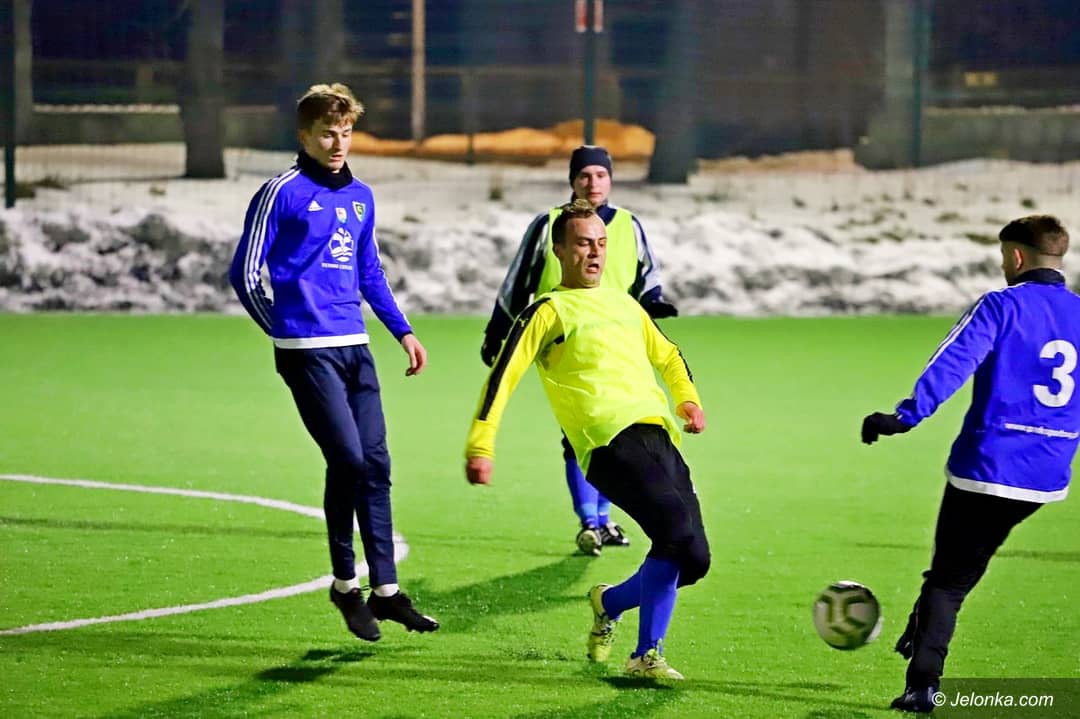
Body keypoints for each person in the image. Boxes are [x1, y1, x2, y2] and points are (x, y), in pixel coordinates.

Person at [465, 199, 710, 679]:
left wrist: (687, 399)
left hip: (658, 435)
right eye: (583, 243)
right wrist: (481, 444)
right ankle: (646, 656)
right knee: (675, 533)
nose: (595, 252)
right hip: (606, 443)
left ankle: (609, 603)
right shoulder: (547, 311)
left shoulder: (624, 302)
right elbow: (502, 378)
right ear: (559, 250)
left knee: (695, 560)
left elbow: (668, 354)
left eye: (600, 243)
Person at [228, 82, 438, 642]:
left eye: (345, 132)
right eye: (327, 133)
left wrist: (403, 331)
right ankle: (346, 585)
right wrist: (283, 328)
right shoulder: (281, 192)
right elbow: (244, 272)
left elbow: (369, 271)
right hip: (307, 351)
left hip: (355, 346)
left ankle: (386, 592)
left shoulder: (362, 196)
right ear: (304, 135)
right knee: (347, 459)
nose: (338, 142)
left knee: (376, 464)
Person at [861, 215, 1079, 713]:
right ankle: (922, 625)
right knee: (962, 566)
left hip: (986, 467)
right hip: (1046, 475)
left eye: (1004, 256)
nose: (1003, 265)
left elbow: (952, 362)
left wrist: (903, 417)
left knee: (948, 580)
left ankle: (922, 684)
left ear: (1016, 256)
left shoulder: (1001, 305)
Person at [480, 145, 679, 556]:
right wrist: (497, 332)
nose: (593, 183)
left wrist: (654, 302)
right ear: (572, 180)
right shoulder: (550, 225)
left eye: (601, 175)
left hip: (619, 339)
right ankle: (590, 520)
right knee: (580, 432)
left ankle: (603, 519)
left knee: (620, 430)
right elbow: (518, 279)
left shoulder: (628, 225)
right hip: (566, 339)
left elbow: (646, 274)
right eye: (585, 175)